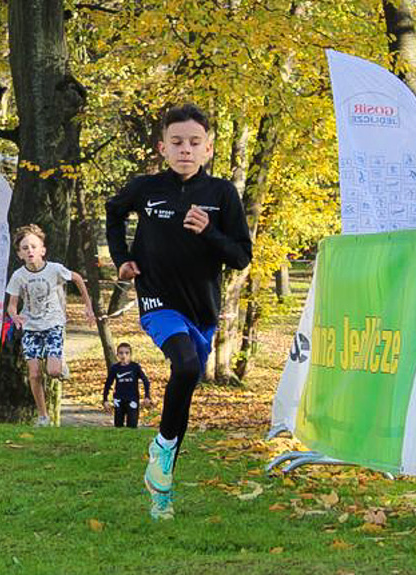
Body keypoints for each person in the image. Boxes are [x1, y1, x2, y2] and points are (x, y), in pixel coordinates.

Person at [105, 103, 252, 519]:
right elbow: (114, 213)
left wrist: (210, 232)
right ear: (162, 147)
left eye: (194, 143)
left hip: (202, 310)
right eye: (177, 142)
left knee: (184, 388)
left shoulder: (222, 194)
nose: (185, 150)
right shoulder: (146, 189)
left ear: (208, 149)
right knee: (185, 367)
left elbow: (241, 257)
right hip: (158, 301)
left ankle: (161, 478)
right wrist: (123, 257)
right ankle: (163, 459)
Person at [5, 224, 95, 427]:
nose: (30, 251)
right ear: (19, 254)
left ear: (42, 250)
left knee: (53, 371)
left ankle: (61, 366)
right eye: (25, 248)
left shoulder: (54, 269)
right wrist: (15, 317)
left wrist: (88, 307)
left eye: (34, 247)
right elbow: (11, 306)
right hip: (31, 327)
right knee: (35, 373)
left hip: (53, 323)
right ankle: (43, 416)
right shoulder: (19, 276)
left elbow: (78, 278)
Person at [103, 342, 152, 428]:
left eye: (126, 353)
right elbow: (108, 384)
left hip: (132, 399)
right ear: (117, 354)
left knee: (132, 426)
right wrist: (105, 400)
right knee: (118, 425)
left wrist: (147, 396)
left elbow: (146, 381)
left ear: (130, 354)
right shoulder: (115, 368)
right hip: (119, 399)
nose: (124, 355)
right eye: (121, 353)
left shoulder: (135, 367)